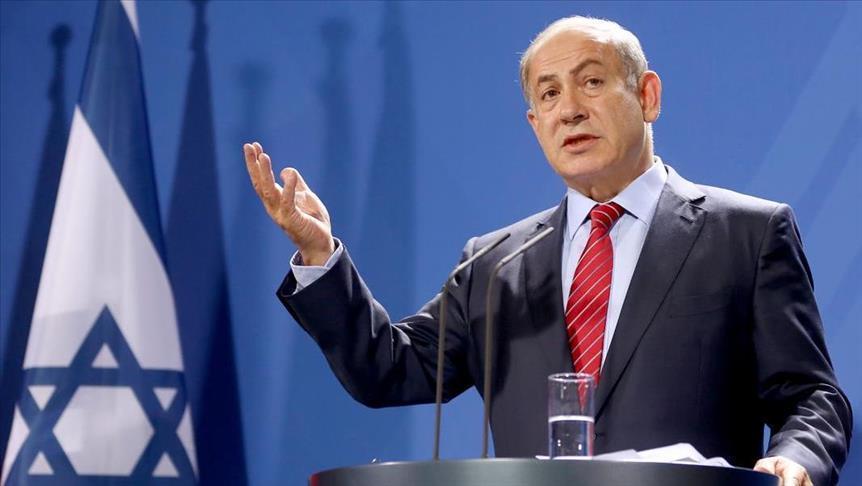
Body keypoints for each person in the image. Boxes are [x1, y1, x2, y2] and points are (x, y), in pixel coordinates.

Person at [243, 16, 851, 486]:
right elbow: (390, 370)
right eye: (550, 94)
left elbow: (811, 397)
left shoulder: (746, 234)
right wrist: (319, 253)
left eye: (592, 82)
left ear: (647, 96)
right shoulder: (496, 262)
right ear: (535, 124)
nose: (570, 110)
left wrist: (796, 459)